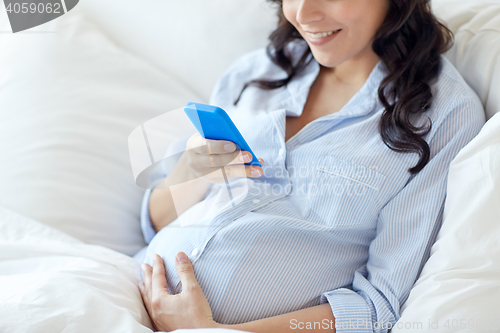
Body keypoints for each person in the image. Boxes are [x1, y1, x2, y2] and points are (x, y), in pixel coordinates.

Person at [135, 0, 485, 332]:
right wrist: (189, 171)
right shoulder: (256, 71)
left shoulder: (444, 115)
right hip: (130, 291)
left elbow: (378, 305)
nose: (302, 14)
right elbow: (155, 222)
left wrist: (214, 331)